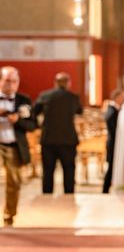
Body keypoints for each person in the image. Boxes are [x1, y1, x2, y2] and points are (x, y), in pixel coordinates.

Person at [34, 72, 83, 194]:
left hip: (48, 139)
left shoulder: (45, 96)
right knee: (69, 171)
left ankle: (47, 197)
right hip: (68, 140)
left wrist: (39, 126)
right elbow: (80, 111)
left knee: (48, 171)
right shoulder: (73, 97)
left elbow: (33, 113)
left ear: (55, 83)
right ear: (68, 83)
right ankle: (69, 197)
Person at [0, 67, 36, 226]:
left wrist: (18, 120)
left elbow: (33, 125)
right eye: (8, 81)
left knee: (13, 183)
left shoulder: (24, 100)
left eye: (14, 81)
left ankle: (9, 216)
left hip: (13, 146)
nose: (11, 85)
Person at [102, 88, 124, 193]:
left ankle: (107, 189)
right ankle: (105, 190)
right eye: (122, 97)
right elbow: (114, 129)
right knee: (111, 167)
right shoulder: (112, 111)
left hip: (114, 142)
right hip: (113, 143)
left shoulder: (114, 109)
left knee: (113, 167)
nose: (123, 99)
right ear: (116, 97)